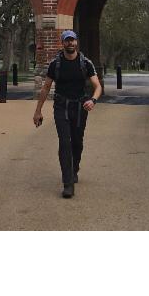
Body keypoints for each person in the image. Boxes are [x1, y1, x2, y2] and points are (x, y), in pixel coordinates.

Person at [32, 29, 102, 198]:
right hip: (61, 106)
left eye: (72, 40)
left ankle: (74, 168)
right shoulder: (55, 64)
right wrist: (38, 111)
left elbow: (97, 86)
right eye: (67, 40)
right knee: (64, 142)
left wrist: (92, 100)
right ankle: (68, 183)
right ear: (62, 43)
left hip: (80, 107)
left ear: (76, 42)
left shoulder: (86, 63)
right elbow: (46, 87)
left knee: (77, 142)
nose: (70, 43)